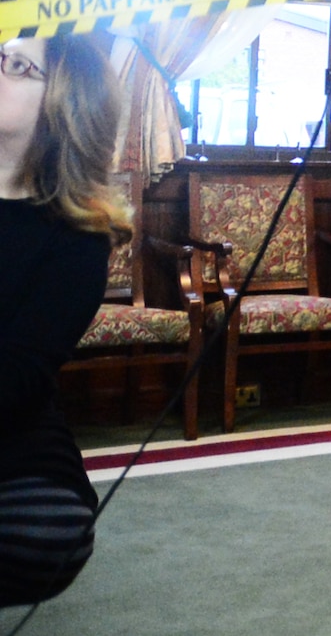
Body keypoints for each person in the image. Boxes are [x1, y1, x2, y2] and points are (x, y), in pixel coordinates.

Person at [1, 34, 131, 607]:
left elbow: (15, 377)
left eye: (19, 66)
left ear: (63, 107)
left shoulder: (77, 238)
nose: (0, 69)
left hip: (13, 436)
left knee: (46, 533)